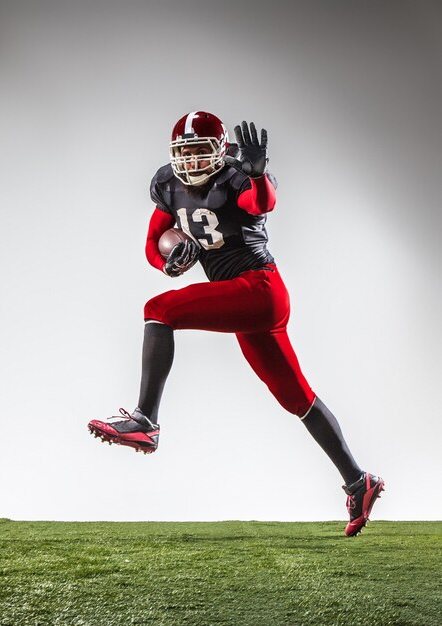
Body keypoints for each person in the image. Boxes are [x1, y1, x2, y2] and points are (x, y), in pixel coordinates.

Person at [88, 111, 384, 536]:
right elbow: (154, 243)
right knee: (296, 398)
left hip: (259, 289)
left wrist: (258, 174)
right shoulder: (167, 184)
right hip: (243, 300)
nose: (190, 160)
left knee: (159, 310)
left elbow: (261, 203)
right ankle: (359, 481)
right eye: (183, 152)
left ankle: (145, 422)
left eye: (199, 150)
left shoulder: (238, 176)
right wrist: (169, 261)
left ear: (221, 150)